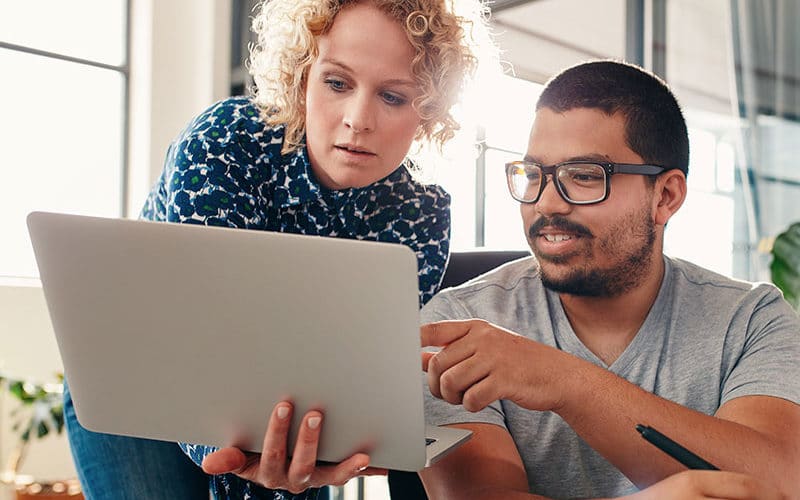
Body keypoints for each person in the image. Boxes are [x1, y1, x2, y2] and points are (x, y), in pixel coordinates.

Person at [63, 0, 492, 498]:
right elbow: (198, 335)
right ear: (301, 78)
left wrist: (330, 449)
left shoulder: (422, 212)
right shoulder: (225, 142)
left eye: (393, 97)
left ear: (431, 112)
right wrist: (251, 460)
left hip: (289, 423)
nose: (358, 119)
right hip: (135, 379)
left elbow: (352, 373)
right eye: (337, 83)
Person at [418, 60, 800, 499]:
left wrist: (563, 380)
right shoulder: (460, 322)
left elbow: (777, 485)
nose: (547, 204)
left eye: (583, 177)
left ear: (666, 196)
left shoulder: (753, 320)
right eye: (533, 176)